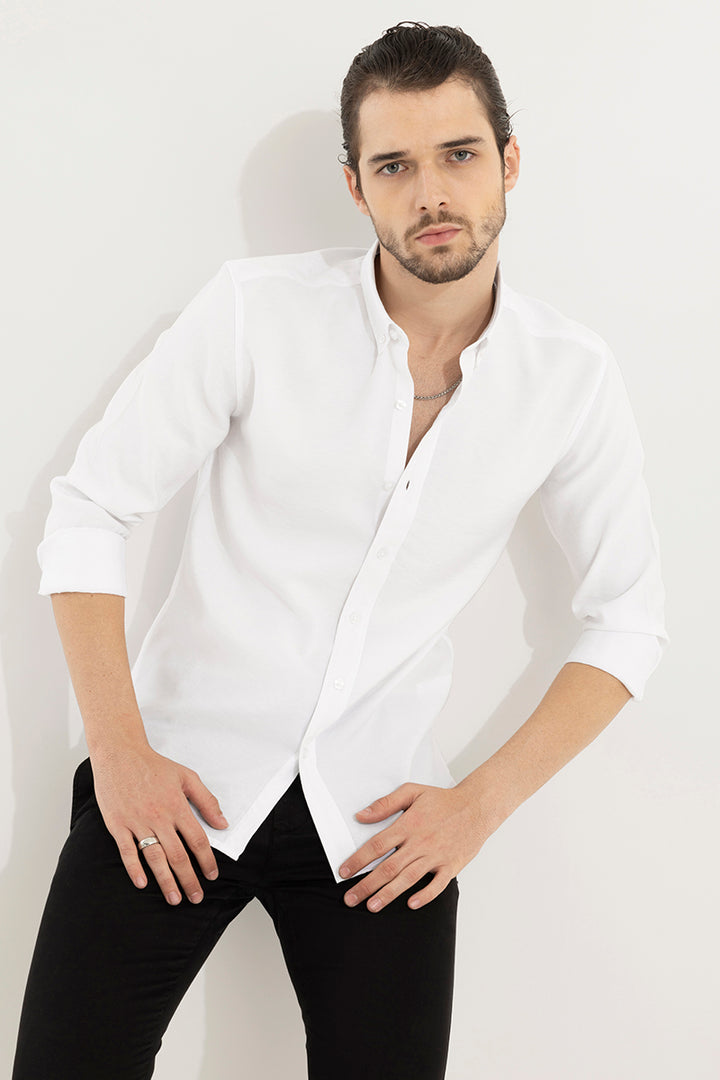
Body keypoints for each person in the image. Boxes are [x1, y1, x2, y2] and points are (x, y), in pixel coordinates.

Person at [12, 20, 667, 1080]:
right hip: (174, 782)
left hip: (382, 820)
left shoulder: (571, 378)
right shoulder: (253, 314)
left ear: (508, 162)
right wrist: (119, 757)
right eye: (394, 166)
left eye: (459, 155)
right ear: (357, 188)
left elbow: (629, 621)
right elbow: (89, 510)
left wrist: (476, 808)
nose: (432, 194)